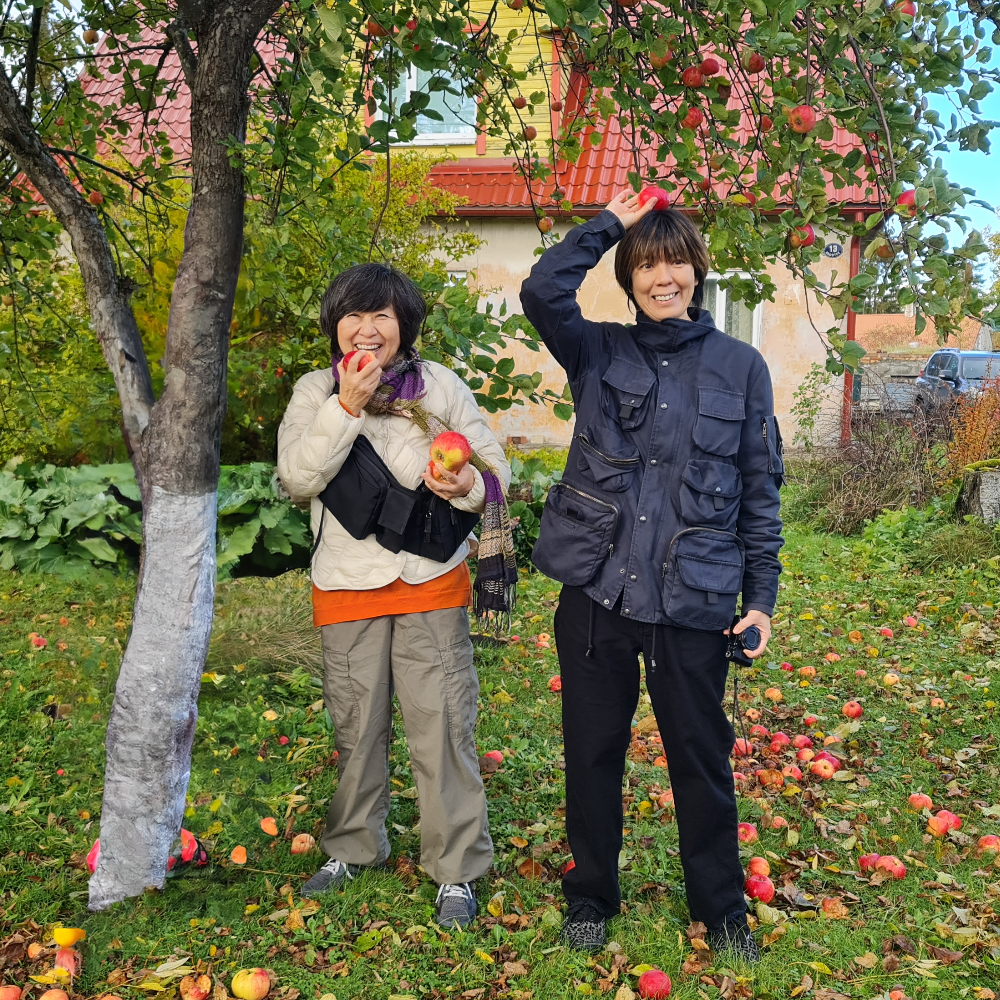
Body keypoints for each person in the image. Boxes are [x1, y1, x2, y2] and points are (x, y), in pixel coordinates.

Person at [520, 191, 784, 959]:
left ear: (696, 271)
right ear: (629, 276)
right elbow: (541, 291)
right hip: (598, 596)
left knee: (700, 760)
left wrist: (759, 600)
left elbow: (758, 491)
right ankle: (592, 897)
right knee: (591, 755)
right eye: (646, 264)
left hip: (694, 604)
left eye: (674, 261)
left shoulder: (742, 367)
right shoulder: (596, 351)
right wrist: (609, 225)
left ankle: (722, 908)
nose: (662, 276)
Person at [276, 262, 514, 928]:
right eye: (354, 314)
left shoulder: (439, 385)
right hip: (347, 586)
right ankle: (354, 845)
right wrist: (345, 408)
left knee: (442, 726)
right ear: (336, 326)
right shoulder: (313, 391)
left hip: (429, 582)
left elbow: (494, 470)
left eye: (382, 314)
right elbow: (296, 477)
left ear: (404, 324)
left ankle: (457, 868)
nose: (368, 327)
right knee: (357, 729)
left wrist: (461, 481)